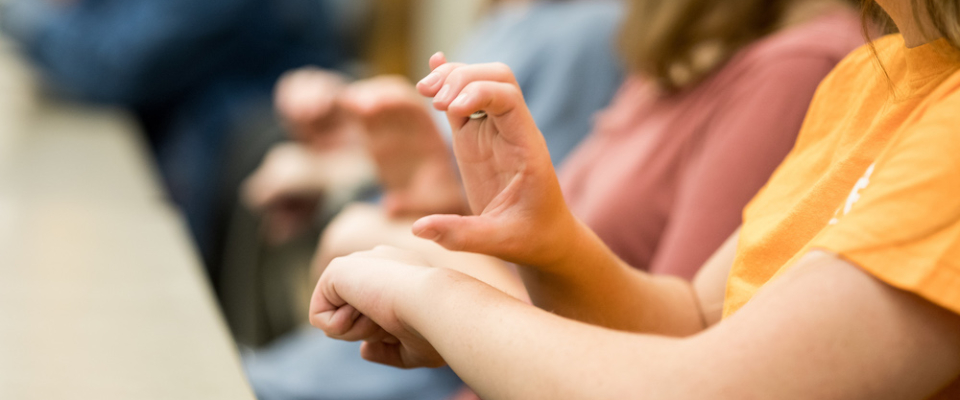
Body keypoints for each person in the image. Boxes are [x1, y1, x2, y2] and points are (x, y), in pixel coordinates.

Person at [309, 0, 960, 398]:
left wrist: (432, 293)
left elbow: (704, 388)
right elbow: (695, 319)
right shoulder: (869, 76)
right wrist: (549, 243)